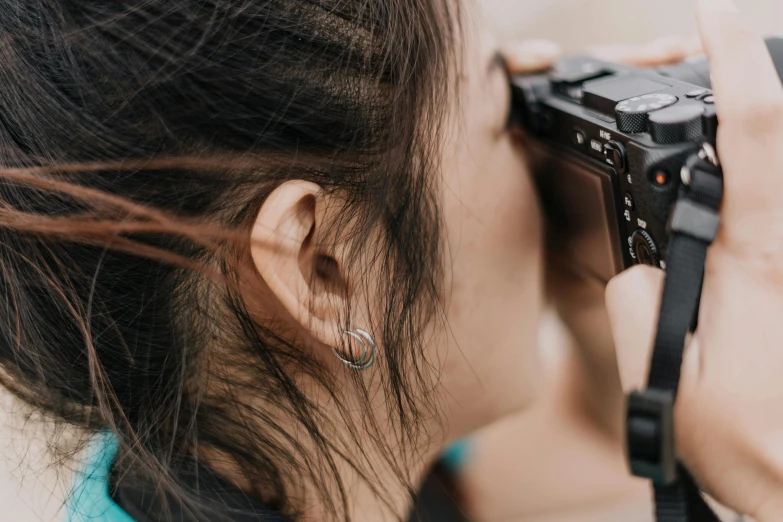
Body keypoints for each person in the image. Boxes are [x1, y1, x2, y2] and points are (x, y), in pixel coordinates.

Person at [0, 2, 781, 522]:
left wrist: (603, 251)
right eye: (504, 110)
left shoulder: (195, 448)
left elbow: (591, 435)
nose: (537, 141)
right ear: (322, 269)